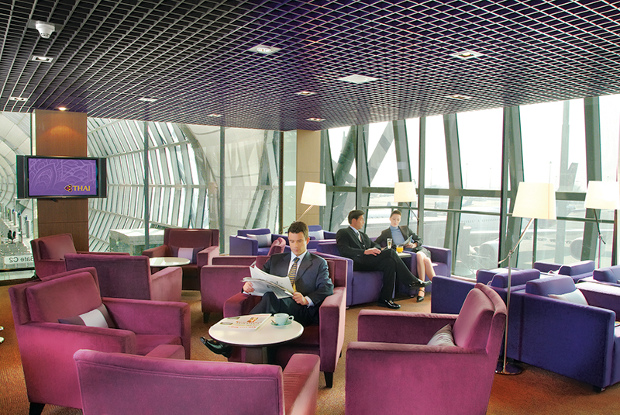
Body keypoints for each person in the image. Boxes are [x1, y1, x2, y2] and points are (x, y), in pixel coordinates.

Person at [202, 221, 333, 357]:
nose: (295, 245)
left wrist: (306, 299)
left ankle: (228, 343)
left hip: (301, 310)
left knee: (270, 297)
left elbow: (327, 287)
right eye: (292, 241)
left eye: (299, 241)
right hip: (275, 306)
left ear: (307, 240)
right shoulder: (276, 260)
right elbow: (260, 279)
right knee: (270, 298)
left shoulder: (318, 263)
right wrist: (247, 288)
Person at [336, 209, 430, 309]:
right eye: (361, 219)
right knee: (390, 252)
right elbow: (344, 250)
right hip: (357, 263)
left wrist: (375, 249)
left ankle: (385, 299)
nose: (363, 222)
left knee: (390, 262)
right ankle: (411, 281)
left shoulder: (363, 235)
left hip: (368, 261)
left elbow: (375, 244)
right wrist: (365, 251)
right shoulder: (343, 232)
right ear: (354, 220)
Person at [375, 209, 435, 302]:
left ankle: (421, 288)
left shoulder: (405, 229)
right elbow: (376, 243)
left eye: (398, 219)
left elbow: (419, 239)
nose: (395, 221)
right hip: (406, 253)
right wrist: (383, 248)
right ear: (390, 219)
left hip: (417, 250)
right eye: (394, 219)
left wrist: (414, 244)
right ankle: (436, 286)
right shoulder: (385, 233)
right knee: (426, 261)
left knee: (419, 255)